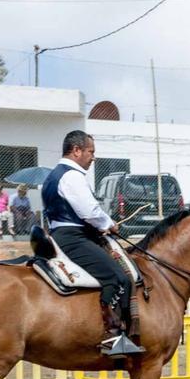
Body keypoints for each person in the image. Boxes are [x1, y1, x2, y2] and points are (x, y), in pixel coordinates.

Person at [41, 130, 143, 357]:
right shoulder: (72, 176)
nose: (93, 157)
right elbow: (89, 211)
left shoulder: (53, 175)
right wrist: (109, 223)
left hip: (64, 233)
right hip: (74, 237)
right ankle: (112, 337)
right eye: (90, 151)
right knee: (117, 277)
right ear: (76, 151)